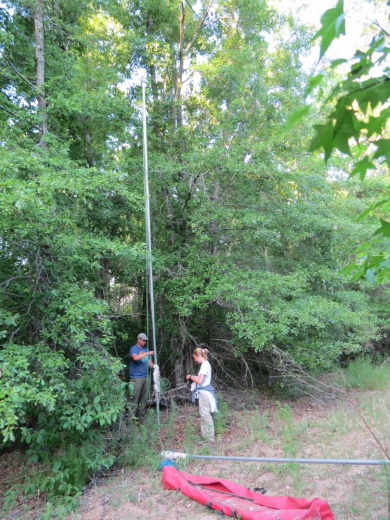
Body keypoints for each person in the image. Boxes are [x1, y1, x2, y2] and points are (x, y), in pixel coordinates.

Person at [186, 348, 218, 443]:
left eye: (195, 358)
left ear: (199, 356)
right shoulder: (205, 365)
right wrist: (193, 376)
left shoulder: (205, 366)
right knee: (203, 414)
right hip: (203, 393)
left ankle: (210, 438)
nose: (195, 360)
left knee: (205, 415)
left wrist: (191, 377)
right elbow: (200, 379)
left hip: (204, 394)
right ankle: (205, 437)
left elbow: (200, 381)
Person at [129, 333, 154, 419]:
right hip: (136, 377)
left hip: (146, 377)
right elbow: (135, 358)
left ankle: (141, 417)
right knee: (135, 398)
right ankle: (132, 417)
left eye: (145, 341)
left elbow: (150, 363)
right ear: (138, 339)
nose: (144, 342)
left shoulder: (146, 350)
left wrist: (154, 366)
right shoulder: (134, 349)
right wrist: (147, 354)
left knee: (144, 399)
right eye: (143, 340)